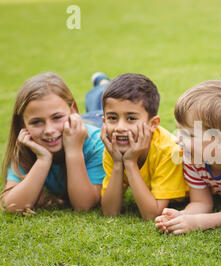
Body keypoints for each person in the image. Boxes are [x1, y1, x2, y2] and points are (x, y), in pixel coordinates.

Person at [1, 72, 105, 213]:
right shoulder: (25, 145)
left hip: (98, 120)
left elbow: (84, 205)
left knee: (104, 100)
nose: (49, 130)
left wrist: (74, 150)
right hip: (72, 124)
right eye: (36, 122)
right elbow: (12, 205)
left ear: (73, 109)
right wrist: (43, 159)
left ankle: (102, 82)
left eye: (57, 117)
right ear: (23, 124)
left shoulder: (96, 141)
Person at [155, 79, 221, 234]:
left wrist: (198, 222)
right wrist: (182, 215)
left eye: (190, 135)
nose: (178, 138)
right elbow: (201, 201)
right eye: (179, 130)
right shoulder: (192, 158)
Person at [100, 73, 188, 220]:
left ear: (153, 124)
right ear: (104, 121)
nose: (120, 128)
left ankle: (101, 83)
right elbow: (110, 212)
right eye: (112, 118)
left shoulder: (168, 151)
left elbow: (152, 214)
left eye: (131, 118)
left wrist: (129, 162)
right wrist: (117, 163)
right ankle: (100, 84)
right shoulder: (113, 147)